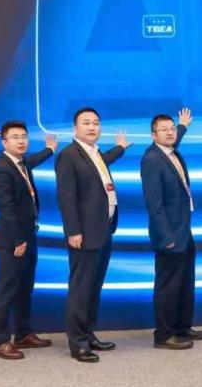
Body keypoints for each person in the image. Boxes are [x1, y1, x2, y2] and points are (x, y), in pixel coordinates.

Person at [55, 108, 132, 363]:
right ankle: (77, 342)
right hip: (84, 233)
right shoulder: (68, 156)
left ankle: (88, 334)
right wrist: (73, 230)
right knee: (81, 287)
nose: (92, 127)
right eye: (86, 123)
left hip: (104, 229)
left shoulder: (96, 153)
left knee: (94, 286)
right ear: (75, 128)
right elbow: (66, 197)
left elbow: (105, 163)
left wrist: (120, 148)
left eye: (96, 123)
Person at [0, 121, 58, 359]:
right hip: (12, 240)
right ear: (4, 142)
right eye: (15, 137)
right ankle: (0, 342)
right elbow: (6, 210)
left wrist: (50, 149)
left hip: (29, 236)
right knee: (7, 291)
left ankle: (23, 334)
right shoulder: (2, 170)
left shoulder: (21, 163)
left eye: (24, 137)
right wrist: (18, 240)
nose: (21, 141)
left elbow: (34, 159)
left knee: (25, 288)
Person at [141, 108, 202, 350]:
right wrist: (166, 236)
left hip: (184, 230)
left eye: (172, 129)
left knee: (184, 282)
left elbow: (174, 138)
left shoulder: (171, 152)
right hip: (169, 234)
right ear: (153, 135)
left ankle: (182, 327)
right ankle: (164, 335)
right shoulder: (152, 159)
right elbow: (154, 204)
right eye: (164, 130)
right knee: (168, 286)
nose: (170, 133)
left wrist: (182, 126)